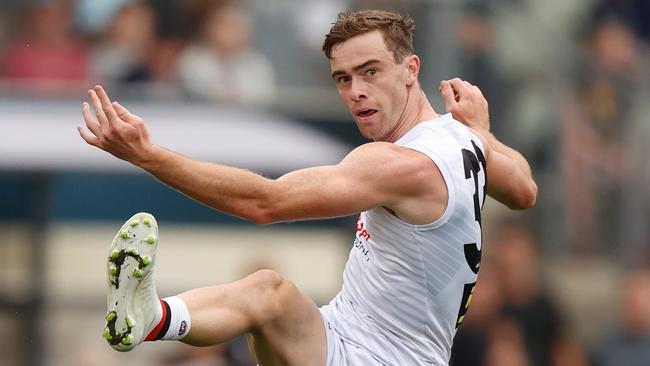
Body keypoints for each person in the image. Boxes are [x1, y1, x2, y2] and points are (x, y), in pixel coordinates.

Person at [77, 10, 537, 366]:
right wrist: (482, 130)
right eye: (343, 78)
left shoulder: (400, 165)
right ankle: (150, 316)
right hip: (340, 332)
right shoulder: (461, 138)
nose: (356, 90)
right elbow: (523, 190)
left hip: (384, 358)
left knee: (268, 294)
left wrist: (147, 155)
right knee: (268, 292)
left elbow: (264, 203)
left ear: (410, 69)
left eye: (370, 71)